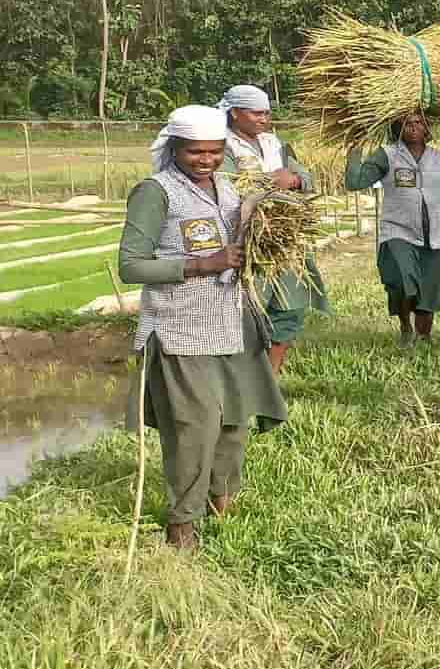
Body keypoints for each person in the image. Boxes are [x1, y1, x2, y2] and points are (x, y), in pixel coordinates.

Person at [119, 105, 288, 551]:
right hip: (180, 326)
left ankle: (223, 503)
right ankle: (182, 523)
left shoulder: (227, 186)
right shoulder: (156, 192)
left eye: (215, 152)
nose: (207, 160)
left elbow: (239, 232)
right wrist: (200, 264)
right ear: (174, 146)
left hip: (231, 319)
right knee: (195, 425)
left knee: (233, 416)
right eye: (196, 152)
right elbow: (131, 266)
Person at [218, 84, 328, 371]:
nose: (263, 119)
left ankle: (271, 379)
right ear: (235, 113)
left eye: (266, 113)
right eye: (256, 113)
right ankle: (243, 380)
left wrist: (294, 180)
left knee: (289, 308)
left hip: (284, 236)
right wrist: (272, 181)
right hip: (246, 236)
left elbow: (302, 174)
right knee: (250, 309)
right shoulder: (221, 145)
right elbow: (228, 185)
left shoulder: (272, 143)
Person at [344, 110, 440, 347]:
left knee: (429, 293)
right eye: (406, 124)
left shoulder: (437, 159)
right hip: (398, 231)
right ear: (397, 129)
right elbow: (355, 182)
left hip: (434, 236)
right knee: (404, 281)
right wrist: (354, 150)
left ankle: (423, 338)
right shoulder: (388, 155)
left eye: (418, 123)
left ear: (427, 129)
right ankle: (406, 327)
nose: (413, 127)